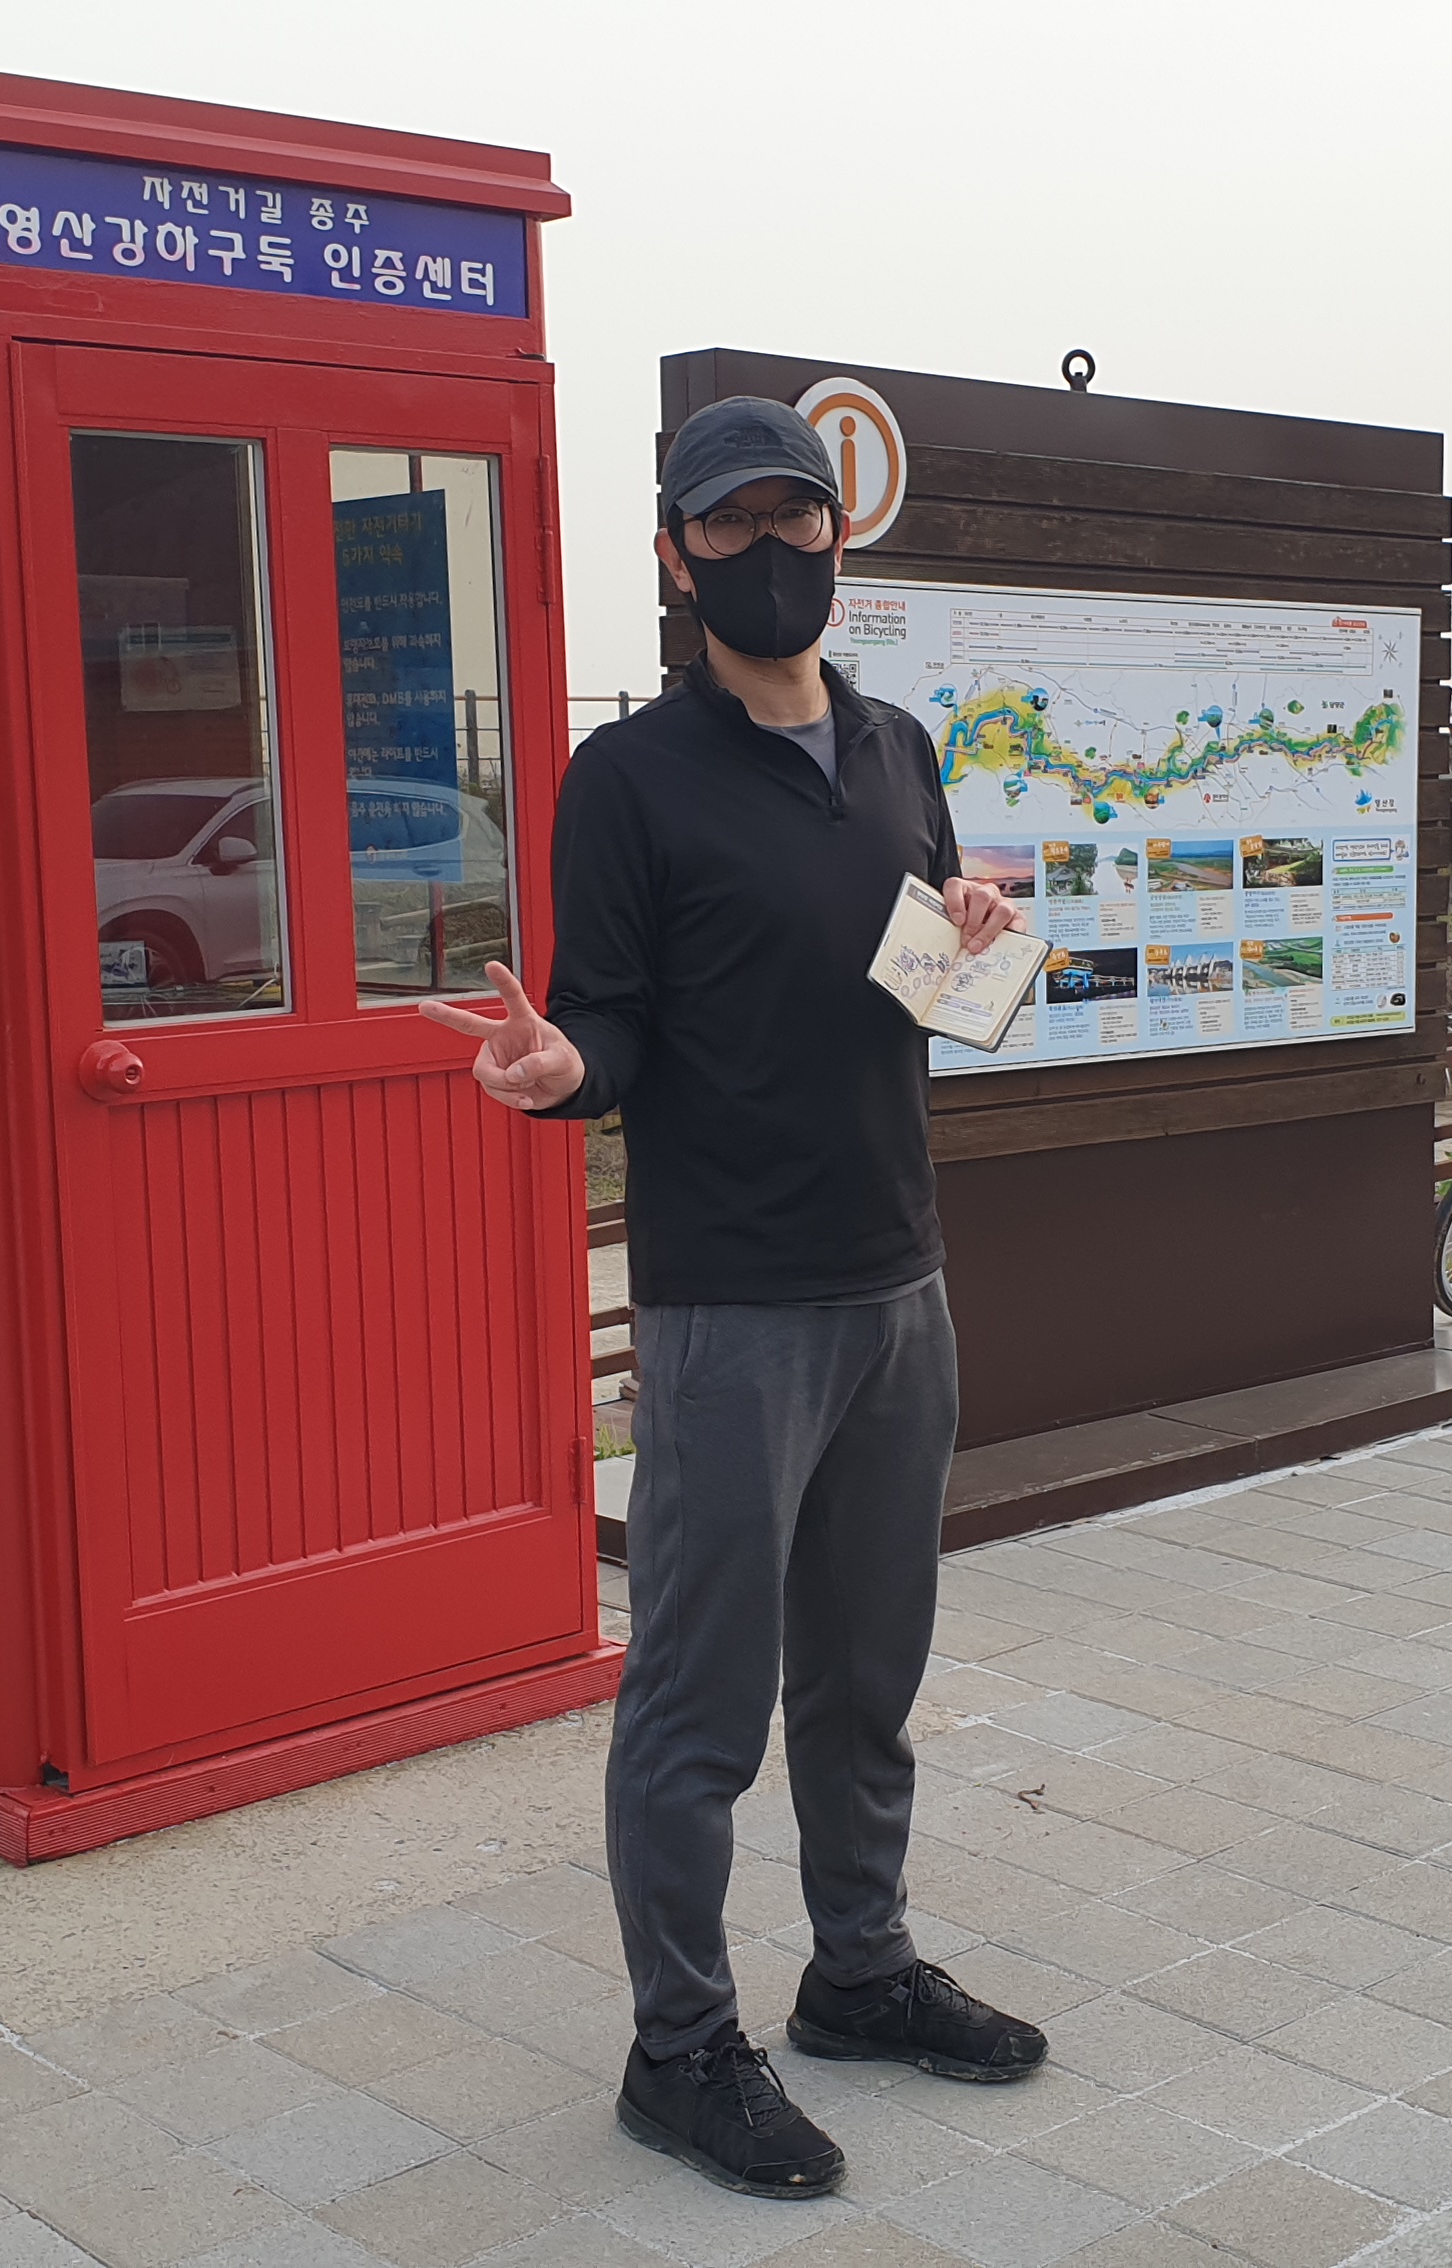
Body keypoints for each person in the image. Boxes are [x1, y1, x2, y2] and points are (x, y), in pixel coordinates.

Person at [421, 397, 1048, 2200]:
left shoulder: (898, 746)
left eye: (797, 516)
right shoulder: (628, 778)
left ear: (840, 537)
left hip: (900, 1284)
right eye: (730, 523)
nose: (770, 549)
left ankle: (861, 1973)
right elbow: (607, 1015)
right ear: (676, 556)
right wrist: (565, 1071)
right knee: (699, 1702)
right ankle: (680, 2046)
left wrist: (972, 936)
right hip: (730, 1313)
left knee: (867, 1674)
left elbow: (920, 983)